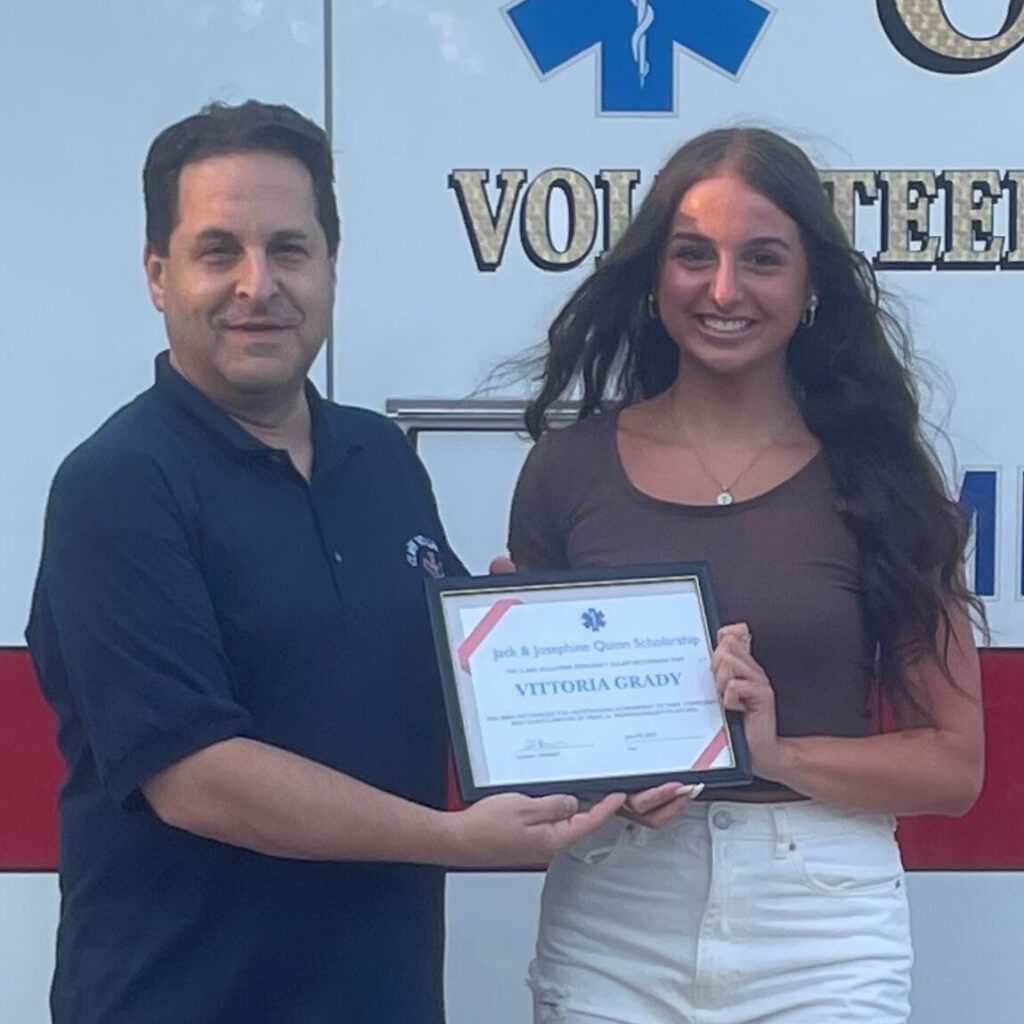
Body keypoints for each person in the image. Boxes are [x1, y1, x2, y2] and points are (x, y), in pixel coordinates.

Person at [26, 100, 623, 1024]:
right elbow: (197, 776)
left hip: (380, 996)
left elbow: (444, 672)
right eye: (217, 251)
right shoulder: (120, 484)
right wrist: (451, 839)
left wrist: (583, 707)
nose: (257, 285)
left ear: (331, 267)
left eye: (289, 249)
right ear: (157, 276)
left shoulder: (378, 456)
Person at [507, 127, 985, 1023]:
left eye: (762, 259)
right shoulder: (566, 471)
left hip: (822, 925)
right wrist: (518, 688)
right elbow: (545, 755)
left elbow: (953, 766)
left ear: (810, 287)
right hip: (617, 911)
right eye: (694, 255)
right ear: (655, 276)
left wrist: (774, 754)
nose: (723, 290)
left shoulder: (878, 478)